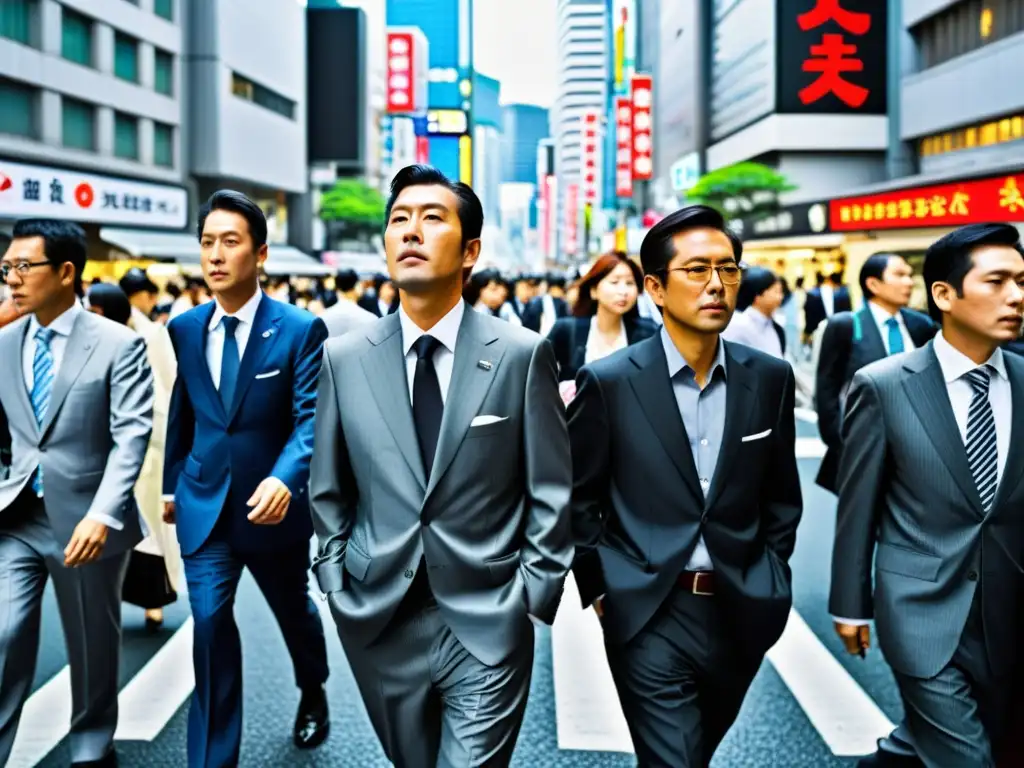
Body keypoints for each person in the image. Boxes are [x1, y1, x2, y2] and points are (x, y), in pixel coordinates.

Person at [309, 165, 573, 767]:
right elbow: (328, 488)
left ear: (471, 250)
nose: (411, 232)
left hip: (488, 615)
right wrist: (334, 581)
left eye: (431, 218)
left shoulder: (520, 355)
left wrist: (534, 592)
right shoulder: (343, 359)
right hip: (377, 615)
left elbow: (552, 486)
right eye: (399, 220)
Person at [566, 205, 802, 768]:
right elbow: (578, 498)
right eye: (697, 270)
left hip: (740, 605)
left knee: (692, 754)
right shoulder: (611, 381)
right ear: (656, 288)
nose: (717, 284)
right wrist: (602, 589)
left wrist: (770, 574)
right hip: (648, 607)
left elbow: (781, 496)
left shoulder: (769, 378)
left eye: (729, 268)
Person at [830, 223, 1024, 767]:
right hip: (920, 608)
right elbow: (858, 506)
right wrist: (850, 604)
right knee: (967, 758)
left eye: (1022, 281)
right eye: (998, 281)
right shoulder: (886, 384)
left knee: (978, 741)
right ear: (944, 294)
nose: (1017, 296)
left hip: (1009, 608)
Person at [163, 191, 330, 767]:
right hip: (203, 503)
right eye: (207, 242)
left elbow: (311, 418)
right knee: (208, 624)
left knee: (295, 614)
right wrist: (169, 484)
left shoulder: (300, 329)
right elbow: (184, 409)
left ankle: (314, 687)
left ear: (260, 255)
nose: (214, 255)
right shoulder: (184, 327)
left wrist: (287, 479)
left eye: (229, 242)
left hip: (273, 509)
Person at [0, 219, 154, 767]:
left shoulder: (118, 343)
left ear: (66, 272)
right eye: (6, 268)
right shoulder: (2, 342)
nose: (12, 279)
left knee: (91, 645)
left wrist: (104, 513)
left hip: (90, 521)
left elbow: (131, 434)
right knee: (4, 633)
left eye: (24, 267)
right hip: (15, 517)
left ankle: (92, 746)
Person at [814, 253, 937, 499]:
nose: (909, 282)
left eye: (910, 275)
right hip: (864, 447)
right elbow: (826, 389)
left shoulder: (920, 325)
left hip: (917, 449)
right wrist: (841, 443)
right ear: (873, 284)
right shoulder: (845, 325)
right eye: (900, 275)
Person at [546, 251, 659, 389]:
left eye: (630, 283)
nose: (623, 291)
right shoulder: (565, 330)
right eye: (614, 282)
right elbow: (537, 374)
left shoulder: (648, 333)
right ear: (593, 290)